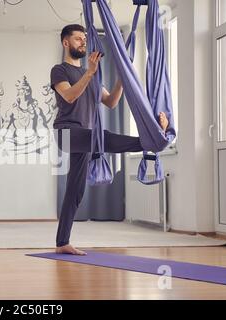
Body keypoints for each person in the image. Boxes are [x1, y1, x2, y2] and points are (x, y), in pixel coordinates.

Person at [51, 24, 169, 256]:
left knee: (75, 191)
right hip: (67, 133)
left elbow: (111, 101)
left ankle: (62, 242)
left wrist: (123, 78)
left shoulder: (93, 77)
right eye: (78, 39)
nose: (83, 42)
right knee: (103, 139)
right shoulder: (60, 70)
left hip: (86, 137)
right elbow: (70, 96)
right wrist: (90, 72)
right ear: (66, 43)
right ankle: (153, 140)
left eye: (84, 39)